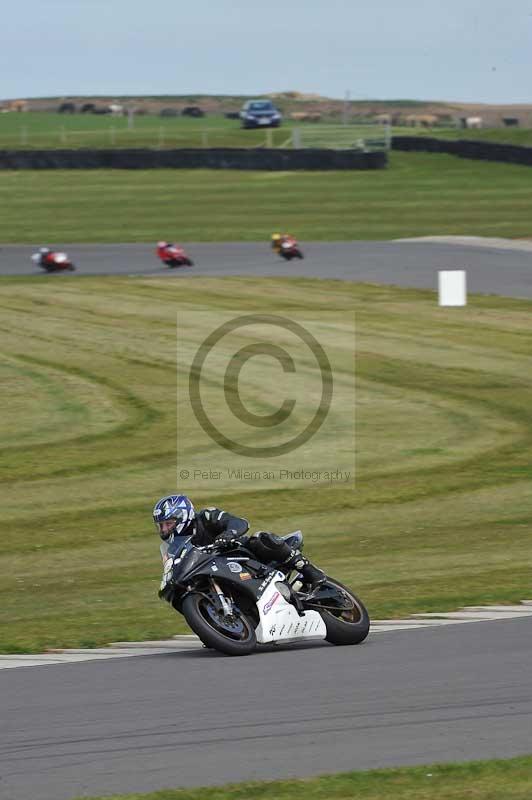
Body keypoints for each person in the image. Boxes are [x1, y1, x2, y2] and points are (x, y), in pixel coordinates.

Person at [153, 494, 325, 589]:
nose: (164, 530)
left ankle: (309, 570)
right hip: (214, 572)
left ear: (183, 516)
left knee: (260, 538)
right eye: (161, 526)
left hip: (239, 554)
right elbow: (172, 565)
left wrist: (228, 534)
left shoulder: (206, 517)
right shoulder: (173, 547)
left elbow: (239, 523)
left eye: (168, 524)